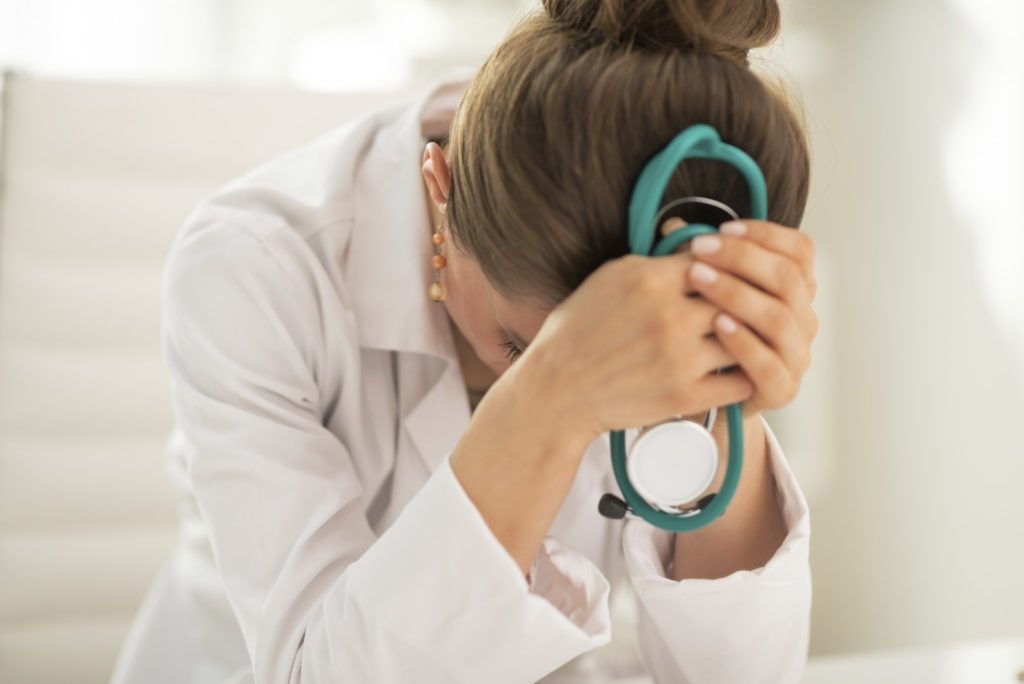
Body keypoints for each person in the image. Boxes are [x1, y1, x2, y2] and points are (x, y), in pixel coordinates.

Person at [111, 0, 819, 681]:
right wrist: (552, 391)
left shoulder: (677, 248)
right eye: (517, 345)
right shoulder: (253, 267)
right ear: (438, 194)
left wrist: (730, 380)